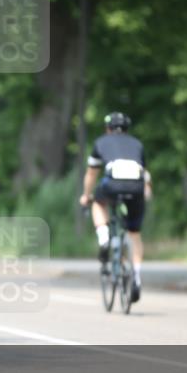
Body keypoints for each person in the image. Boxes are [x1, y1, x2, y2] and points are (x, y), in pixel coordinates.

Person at [78, 112, 152, 302]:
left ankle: (104, 238)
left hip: (112, 185)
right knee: (134, 233)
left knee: (98, 203)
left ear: (108, 129)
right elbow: (145, 173)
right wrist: (146, 191)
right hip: (136, 186)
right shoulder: (137, 144)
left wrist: (86, 196)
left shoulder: (101, 142)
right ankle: (136, 275)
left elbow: (91, 174)